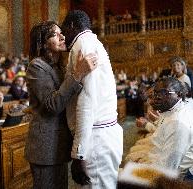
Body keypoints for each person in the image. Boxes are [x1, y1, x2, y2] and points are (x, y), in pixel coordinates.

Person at [25, 21, 98, 189]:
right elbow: (53, 105)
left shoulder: (58, 67)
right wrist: (78, 73)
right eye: (54, 34)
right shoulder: (36, 66)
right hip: (45, 148)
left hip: (58, 145)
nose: (62, 36)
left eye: (61, 33)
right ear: (43, 44)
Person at [61, 10, 123, 188]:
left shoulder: (82, 44)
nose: (63, 35)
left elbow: (86, 101)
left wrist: (79, 153)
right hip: (101, 134)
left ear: (72, 25)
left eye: (64, 29)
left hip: (96, 139)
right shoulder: (91, 42)